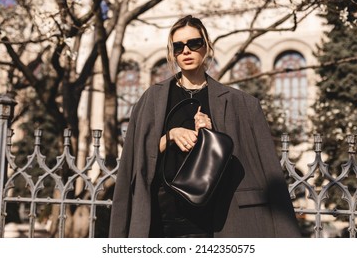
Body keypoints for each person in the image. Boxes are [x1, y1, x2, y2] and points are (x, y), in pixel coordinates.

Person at [109, 15, 302, 238]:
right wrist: (170, 136)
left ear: (207, 46)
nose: (186, 51)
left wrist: (211, 138)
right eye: (178, 47)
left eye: (194, 43)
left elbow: (267, 172)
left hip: (216, 223)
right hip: (160, 221)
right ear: (172, 52)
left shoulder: (243, 104)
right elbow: (135, 160)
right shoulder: (152, 99)